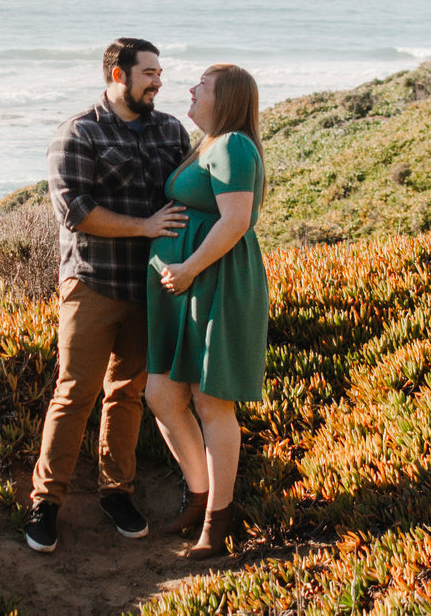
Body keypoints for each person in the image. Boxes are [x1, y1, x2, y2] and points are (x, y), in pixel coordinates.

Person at [25, 38, 191, 554]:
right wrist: (144, 227)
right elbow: (75, 211)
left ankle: (116, 492)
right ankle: (45, 502)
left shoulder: (171, 131)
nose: (159, 81)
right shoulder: (78, 132)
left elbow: (189, 196)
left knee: (128, 393)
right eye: (149, 73)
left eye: (160, 72)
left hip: (151, 288)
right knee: (74, 393)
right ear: (118, 75)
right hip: (92, 284)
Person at [144, 63, 269, 560]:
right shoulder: (208, 144)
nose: (191, 90)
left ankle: (217, 526)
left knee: (211, 402)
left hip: (215, 281)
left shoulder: (235, 144)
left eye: (204, 87)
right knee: (161, 394)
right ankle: (200, 494)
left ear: (229, 99)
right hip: (184, 286)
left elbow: (236, 220)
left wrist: (191, 267)